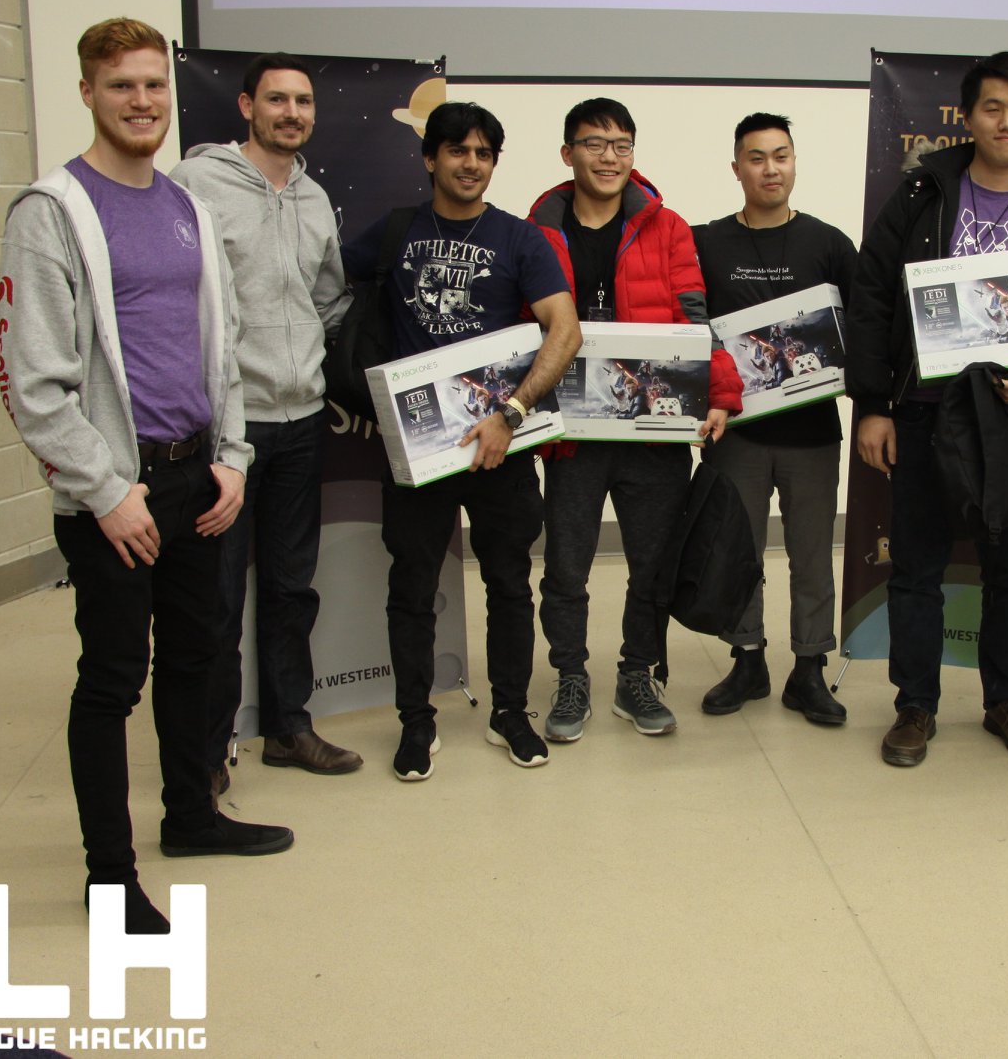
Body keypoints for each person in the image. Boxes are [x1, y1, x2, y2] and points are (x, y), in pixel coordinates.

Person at [0, 18, 293, 935]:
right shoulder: (53, 212)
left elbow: (224, 346)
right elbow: (34, 382)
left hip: (195, 479)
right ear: (87, 92)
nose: (142, 102)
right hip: (113, 494)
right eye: (121, 85)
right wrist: (105, 490)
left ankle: (192, 817)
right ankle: (109, 874)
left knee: (198, 660)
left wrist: (232, 457)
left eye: (155, 86)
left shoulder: (183, 205)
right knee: (113, 678)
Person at [846, 52, 1008, 768]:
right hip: (923, 409)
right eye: (992, 108)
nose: (1006, 121)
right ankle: (915, 706)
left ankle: (1007, 704)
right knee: (915, 567)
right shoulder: (922, 195)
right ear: (968, 118)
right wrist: (873, 405)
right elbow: (872, 300)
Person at [341, 102, 580, 780]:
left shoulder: (521, 240)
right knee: (412, 586)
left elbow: (564, 331)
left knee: (509, 583)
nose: (470, 164)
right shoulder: (393, 235)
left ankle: (511, 712)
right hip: (418, 450)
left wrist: (511, 411)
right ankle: (416, 723)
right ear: (430, 158)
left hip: (500, 443)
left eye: (483, 153)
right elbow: (323, 286)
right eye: (457, 151)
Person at [168, 52, 362, 792]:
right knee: (215, 596)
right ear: (246, 105)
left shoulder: (314, 200)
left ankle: (288, 727)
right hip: (226, 428)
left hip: (303, 418)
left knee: (290, 586)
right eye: (277, 99)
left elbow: (326, 299)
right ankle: (211, 747)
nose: (292, 113)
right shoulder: (197, 184)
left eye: (303, 101)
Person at [528, 98, 743, 741]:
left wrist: (720, 393)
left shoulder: (667, 227)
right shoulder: (536, 230)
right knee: (567, 565)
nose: (610, 157)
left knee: (652, 564)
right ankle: (570, 676)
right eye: (594, 144)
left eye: (622, 145)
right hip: (572, 436)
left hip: (653, 432)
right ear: (568, 154)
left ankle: (635, 674)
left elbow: (695, 318)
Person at [693, 113, 856, 725]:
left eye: (781, 156)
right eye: (756, 158)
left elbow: (859, 328)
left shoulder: (830, 244)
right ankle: (747, 660)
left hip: (812, 433)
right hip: (735, 432)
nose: (770, 168)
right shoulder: (705, 242)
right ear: (736, 168)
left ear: (795, 163)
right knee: (738, 551)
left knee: (813, 554)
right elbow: (688, 326)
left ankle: (809, 670)